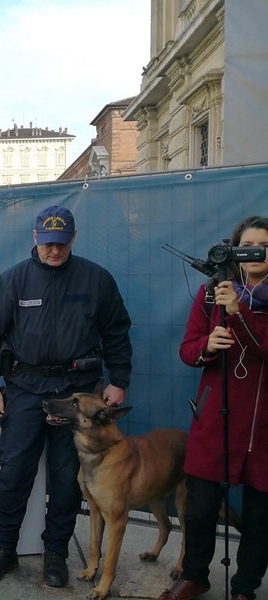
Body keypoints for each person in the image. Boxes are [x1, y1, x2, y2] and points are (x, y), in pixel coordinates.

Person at [0, 205, 132, 588]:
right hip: (25, 389)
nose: (55, 250)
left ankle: (56, 553)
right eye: (47, 243)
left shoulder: (97, 280)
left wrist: (119, 380)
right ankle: (3, 550)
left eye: (61, 243)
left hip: (77, 393)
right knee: (13, 473)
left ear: (73, 238)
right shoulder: (12, 282)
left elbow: (116, 331)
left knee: (66, 478)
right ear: (35, 238)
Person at [161, 215, 268, 600]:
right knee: (200, 508)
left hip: (262, 427)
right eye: (247, 246)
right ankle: (195, 576)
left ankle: (245, 588)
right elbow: (187, 350)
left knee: (260, 516)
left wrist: (240, 314)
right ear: (234, 250)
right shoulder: (212, 294)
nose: (255, 253)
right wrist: (206, 347)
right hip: (215, 420)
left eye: (264, 246)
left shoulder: (235, 303)